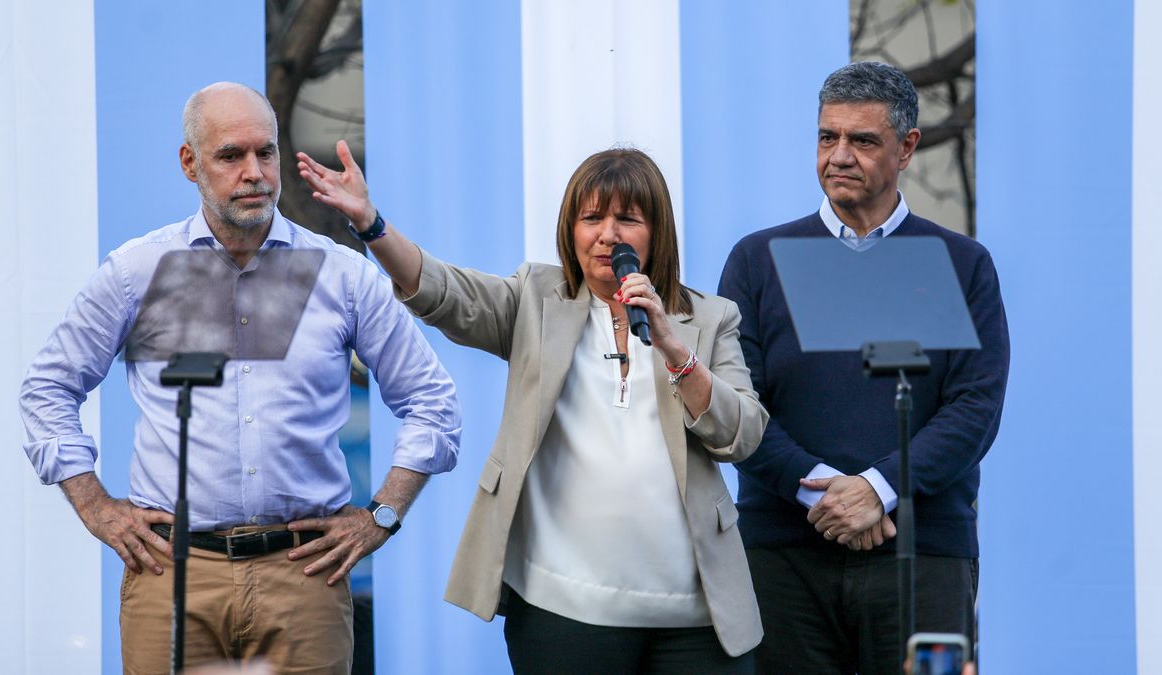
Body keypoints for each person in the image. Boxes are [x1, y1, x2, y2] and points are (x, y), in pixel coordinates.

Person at [19, 82, 461, 674]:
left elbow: (433, 400)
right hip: (172, 577)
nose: (254, 172)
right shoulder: (137, 272)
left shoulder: (341, 276)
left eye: (267, 153)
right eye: (231, 155)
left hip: (303, 578)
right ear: (190, 163)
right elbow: (47, 389)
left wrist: (382, 515)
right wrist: (95, 506)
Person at [298, 143, 768, 673]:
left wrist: (673, 347)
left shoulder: (710, 317)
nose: (607, 235)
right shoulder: (536, 299)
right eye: (591, 218)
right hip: (562, 611)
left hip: (694, 618)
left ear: (656, 232)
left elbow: (742, 435)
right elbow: (443, 290)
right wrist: (371, 225)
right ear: (570, 228)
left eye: (627, 220)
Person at [718, 61, 1010, 674]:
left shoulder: (962, 265)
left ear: (907, 148)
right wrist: (823, 490)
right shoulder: (757, 260)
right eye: (828, 138)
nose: (840, 155)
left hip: (922, 552)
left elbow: (975, 408)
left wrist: (879, 489)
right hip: (785, 556)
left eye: (863, 140)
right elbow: (736, 404)